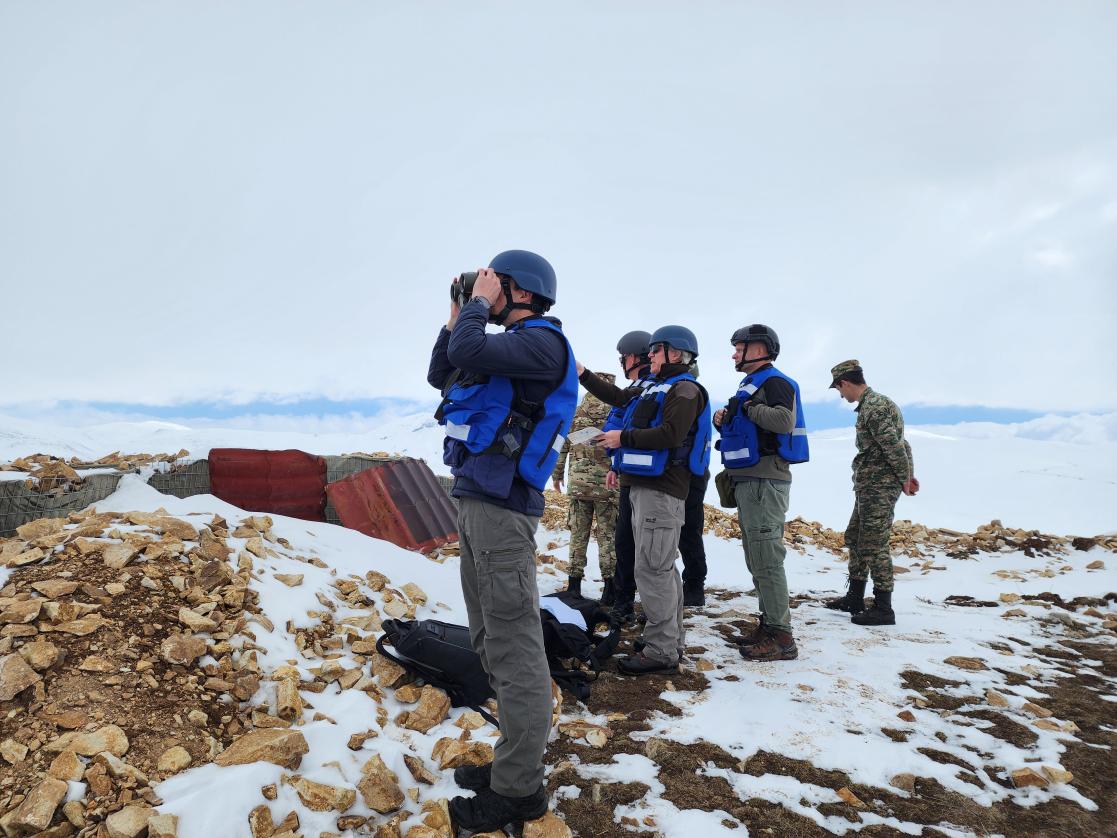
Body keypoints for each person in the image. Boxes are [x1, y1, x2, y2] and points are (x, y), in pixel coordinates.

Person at [427, 250, 577, 833]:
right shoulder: (501, 350)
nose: (483, 290)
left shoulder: (541, 345)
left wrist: (478, 308)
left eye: (495, 282)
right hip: (476, 501)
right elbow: (443, 371)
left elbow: (468, 350)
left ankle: (519, 791)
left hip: (503, 510)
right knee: (490, 638)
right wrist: (458, 311)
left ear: (521, 290)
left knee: (515, 649)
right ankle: (510, 768)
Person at [589, 325, 712, 675]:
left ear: (676, 354)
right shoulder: (659, 388)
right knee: (661, 568)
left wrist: (621, 437)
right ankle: (669, 641)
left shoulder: (685, 390)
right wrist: (583, 374)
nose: (650, 356)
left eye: (656, 351)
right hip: (649, 489)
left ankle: (661, 649)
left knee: (652, 569)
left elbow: (671, 434)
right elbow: (617, 397)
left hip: (662, 490)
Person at [714, 324, 808, 662]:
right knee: (757, 558)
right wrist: (721, 416)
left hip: (766, 482)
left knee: (767, 558)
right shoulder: (750, 384)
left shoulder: (775, 382)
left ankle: (782, 638)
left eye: (740, 347)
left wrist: (748, 408)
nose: (734, 353)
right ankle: (769, 626)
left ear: (760, 348)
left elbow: (783, 420)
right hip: (750, 481)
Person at [826, 360, 919, 626]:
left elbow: (893, 447)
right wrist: (908, 474)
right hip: (869, 485)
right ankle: (855, 597)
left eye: (839, 389)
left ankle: (883, 607)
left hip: (879, 486)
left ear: (845, 383)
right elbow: (903, 445)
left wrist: (905, 478)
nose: (841, 395)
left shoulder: (875, 407)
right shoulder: (874, 405)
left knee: (874, 542)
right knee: (855, 536)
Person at [551, 375, 619, 602]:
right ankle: (610, 588)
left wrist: (557, 475)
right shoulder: (617, 411)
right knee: (607, 536)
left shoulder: (576, 412)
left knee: (578, 535)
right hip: (608, 486)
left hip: (579, 484)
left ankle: (574, 585)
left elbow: (561, 446)